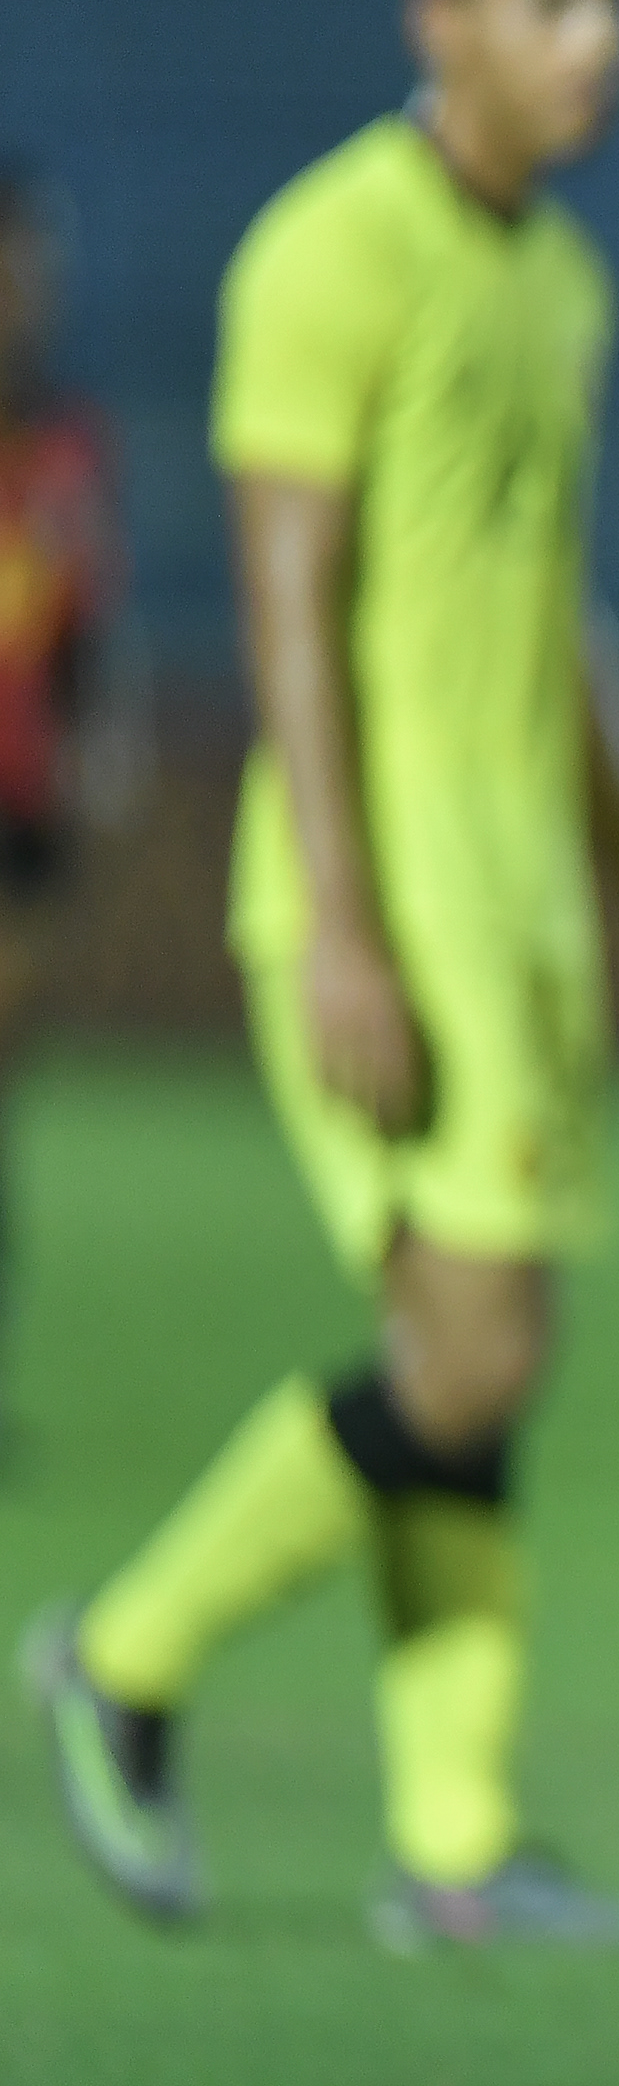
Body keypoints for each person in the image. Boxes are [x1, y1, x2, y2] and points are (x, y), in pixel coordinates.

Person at [22, 0, 619, 1950]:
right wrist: (344, 922)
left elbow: (562, 634)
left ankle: (452, 1847)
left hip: (517, 899)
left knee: (471, 1355)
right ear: (438, 18)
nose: (602, 40)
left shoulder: (563, 285)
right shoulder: (332, 249)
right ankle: (127, 1654)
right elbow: (287, 602)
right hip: (389, 897)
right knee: (476, 1345)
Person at [0, 164, 132, 1455]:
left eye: (30, 269)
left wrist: (100, 749)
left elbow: (86, 630)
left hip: (20, 805)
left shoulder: (69, 449)